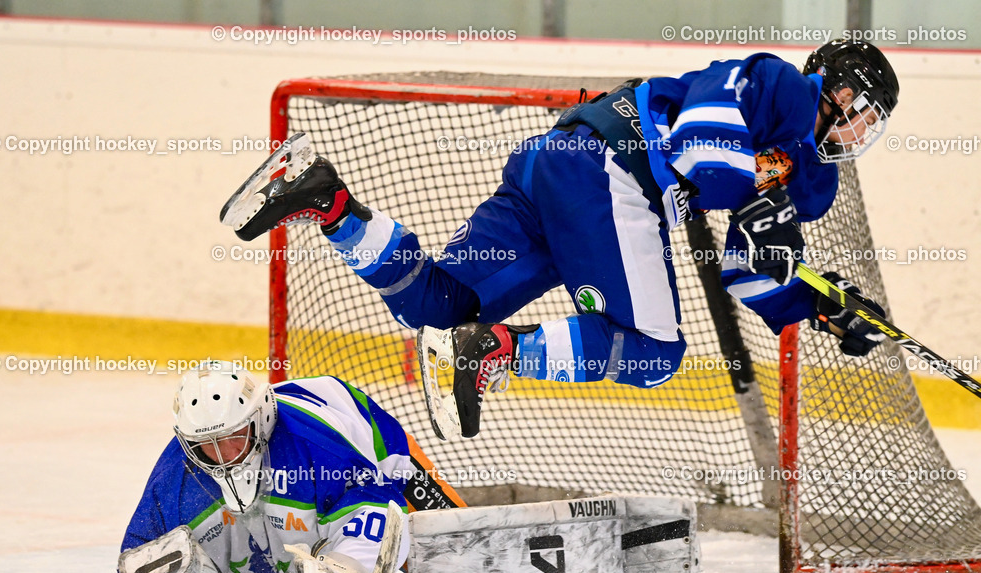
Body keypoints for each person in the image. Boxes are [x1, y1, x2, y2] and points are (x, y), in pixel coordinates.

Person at [221, 39, 897, 438]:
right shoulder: (780, 87)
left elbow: (747, 264)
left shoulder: (810, 179)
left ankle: (327, 200)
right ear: (833, 88)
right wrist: (758, 198)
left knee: (438, 304)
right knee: (655, 353)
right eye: (862, 112)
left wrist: (818, 306)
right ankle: (501, 350)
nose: (861, 132)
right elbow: (698, 152)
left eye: (874, 124)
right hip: (610, 167)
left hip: (557, 166)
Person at [112, 360, 459, 573]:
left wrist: (349, 566)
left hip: (379, 452)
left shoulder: (316, 447)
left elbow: (380, 502)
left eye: (234, 436)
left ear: (259, 419)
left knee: (449, 565)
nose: (225, 454)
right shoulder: (175, 473)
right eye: (209, 444)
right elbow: (140, 550)